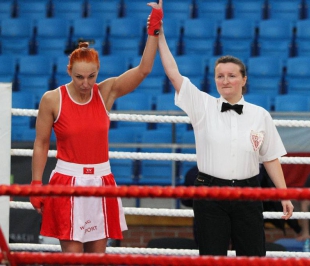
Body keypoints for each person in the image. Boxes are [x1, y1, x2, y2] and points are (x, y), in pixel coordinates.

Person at [157, 8, 294, 256]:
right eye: (220, 76)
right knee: (211, 257)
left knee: (253, 257)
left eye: (231, 75)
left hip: (249, 193)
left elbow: (271, 157)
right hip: (210, 193)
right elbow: (173, 73)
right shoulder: (203, 105)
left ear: (244, 79)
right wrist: (160, 33)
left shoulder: (260, 114)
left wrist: (283, 195)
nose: (225, 80)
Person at [29, 1, 162, 253]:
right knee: (72, 259)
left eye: (91, 76)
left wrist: (153, 30)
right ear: (69, 71)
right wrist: (36, 183)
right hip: (67, 182)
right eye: (79, 77)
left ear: (98, 72)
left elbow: (144, 70)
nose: (85, 83)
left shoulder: (105, 92)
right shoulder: (52, 99)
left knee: (97, 259)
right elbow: (41, 142)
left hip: (101, 180)